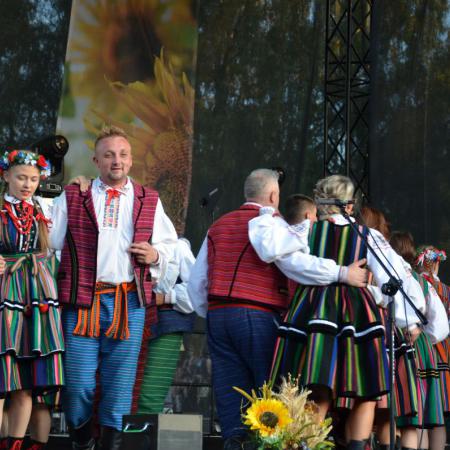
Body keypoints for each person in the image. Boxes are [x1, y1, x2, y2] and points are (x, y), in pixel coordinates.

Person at [188, 169, 368, 450]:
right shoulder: (276, 226)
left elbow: (197, 280)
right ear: (273, 195)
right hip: (259, 313)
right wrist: (342, 274)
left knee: (229, 389)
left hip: (218, 314)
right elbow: (298, 267)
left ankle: (235, 442)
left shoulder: (218, 226)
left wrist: (210, 310)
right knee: (270, 390)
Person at [251, 175, 425, 450]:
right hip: (358, 314)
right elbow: (393, 278)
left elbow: (289, 263)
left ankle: (307, 444)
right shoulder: (369, 236)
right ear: (350, 204)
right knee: (365, 390)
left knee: (316, 386)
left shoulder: (306, 231)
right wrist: (410, 321)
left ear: (320, 202)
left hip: (314, 308)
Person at [49, 125, 177, 450]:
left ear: (131, 160)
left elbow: (171, 245)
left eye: (121, 154)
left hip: (127, 302)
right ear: (96, 160)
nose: (116, 161)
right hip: (83, 301)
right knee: (78, 384)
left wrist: (156, 253)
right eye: (108, 155)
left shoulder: (149, 198)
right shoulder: (75, 195)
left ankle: (109, 445)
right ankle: (81, 439)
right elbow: (49, 239)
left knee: (119, 386)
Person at [0, 150, 64, 450]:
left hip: (36, 294)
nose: (28, 184)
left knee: (27, 382)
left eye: (34, 179)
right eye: (22, 177)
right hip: (6, 290)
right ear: (6, 176)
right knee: (6, 373)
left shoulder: (44, 208)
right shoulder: (1, 209)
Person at [137, 237, 196, 414]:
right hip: (126, 322)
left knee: (150, 393)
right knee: (122, 390)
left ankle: (140, 439)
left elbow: (196, 290)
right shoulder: (122, 243)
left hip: (165, 324)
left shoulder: (178, 247)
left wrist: (165, 297)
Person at [413, 244, 450, 450]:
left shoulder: (417, 284)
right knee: (438, 414)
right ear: (435, 263)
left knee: (420, 410)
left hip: (421, 351)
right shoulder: (445, 289)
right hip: (443, 354)